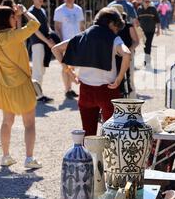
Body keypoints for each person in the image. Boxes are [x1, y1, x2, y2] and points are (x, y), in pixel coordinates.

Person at [52, 7, 131, 136]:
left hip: (86, 91)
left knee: (88, 134)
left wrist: (69, 72)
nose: (116, 30)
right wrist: (119, 78)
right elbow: (127, 54)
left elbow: (55, 49)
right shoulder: (113, 38)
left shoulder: (82, 36)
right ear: (110, 23)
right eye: (116, 27)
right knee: (112, 134)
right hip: (107, 91)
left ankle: (91, 156)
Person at [0, 5, 43, 169]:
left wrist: (16, 16)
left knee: (7, 122)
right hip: (21, 84)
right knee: (29, 124)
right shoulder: (14, 36)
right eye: (13, 17)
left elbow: (9, 31)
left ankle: (5, 156)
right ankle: (29, 158)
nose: (15, 18)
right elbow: (35, 24)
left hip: (4, 85)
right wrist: (25, 12)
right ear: (7, 20)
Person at [28, 0, 58, 103]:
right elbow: (36, 31)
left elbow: (46, 26)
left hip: (45, 43)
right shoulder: (31, 12)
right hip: (37, 43)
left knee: (42, 69)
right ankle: (37, 96)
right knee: (37, 70)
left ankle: (38, 94)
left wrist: (51, 37)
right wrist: (47, 41)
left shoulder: (42, 10)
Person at [54, 0, 85, 99]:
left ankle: (70, 88)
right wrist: (61, 42)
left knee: (72, 66)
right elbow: (57, 28)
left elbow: (82, 26)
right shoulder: (59, 10)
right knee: (65, 66)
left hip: (77, 41)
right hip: (65, 42)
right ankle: (67, 89)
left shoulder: (78, 9)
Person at [109, 4, 140, 98]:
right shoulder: (110, 27)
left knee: (129, 78)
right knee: (116, 77)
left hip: (127, 55)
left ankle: (131, 100)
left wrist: (129, 50)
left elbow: (136, 41)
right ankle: (119, 98)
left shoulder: (128, 26)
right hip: (114, 56)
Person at [137, 0, 161, 69]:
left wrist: (158, 30)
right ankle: (147, 58)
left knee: (148, 45)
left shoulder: (153, 9)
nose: (147, 3)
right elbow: (137, 20)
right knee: (145, 45)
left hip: (151, 30)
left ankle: (147, 61)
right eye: (146, 1)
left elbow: (157, 20)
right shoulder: (139, 9)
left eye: (149, 1)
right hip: (142, 31)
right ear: (142, 1)